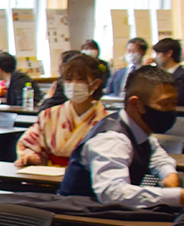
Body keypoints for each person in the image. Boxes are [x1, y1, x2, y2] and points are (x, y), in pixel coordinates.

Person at [59, 65, 182, 207]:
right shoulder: (111, 139)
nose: (171, 110)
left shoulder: (139, 131)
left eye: (174, 104)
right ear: (135, 104)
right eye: (165, 104)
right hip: (79, 220)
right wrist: (177, 197)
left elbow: (157, 156)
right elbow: (112, 193)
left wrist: (169, 175)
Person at [16, 54, 108, 167]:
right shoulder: (49, 115)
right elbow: (28, 143)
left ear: (96, 84)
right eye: (69, 79)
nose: (74, 84)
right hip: (49, 177)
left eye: (81, 80)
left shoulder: (106, 121)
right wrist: (31, 156)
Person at [152, 37, 184, 105]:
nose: (155, 57)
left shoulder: (181, 75)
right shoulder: (157, 74)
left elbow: (176, 99)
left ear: (169, 53)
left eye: (158, 54)